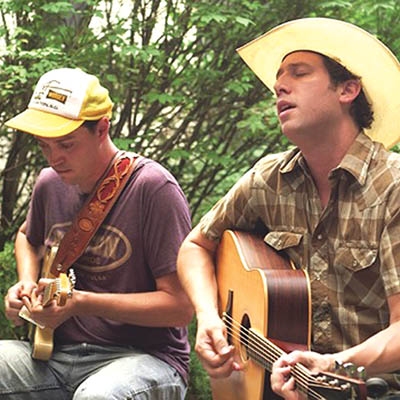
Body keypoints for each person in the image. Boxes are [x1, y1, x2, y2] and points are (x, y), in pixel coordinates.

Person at [177, 17, 400, 399]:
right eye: (279, 78)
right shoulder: (268, 178)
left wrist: (333, 365)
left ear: (347, 90)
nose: (279, 86)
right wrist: (209, 318)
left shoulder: (392, 187)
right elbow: (195, 247)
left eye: (299, 74)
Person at [1, 67, 193, 399]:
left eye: (66, 144)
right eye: (44, 146)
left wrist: (82, 303)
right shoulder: (49, 183)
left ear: (102, 128)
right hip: (53, 356)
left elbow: (181, 307)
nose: (54, 158)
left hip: (144, 358)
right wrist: (27, 283)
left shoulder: (153, 188)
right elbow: (27, 237)